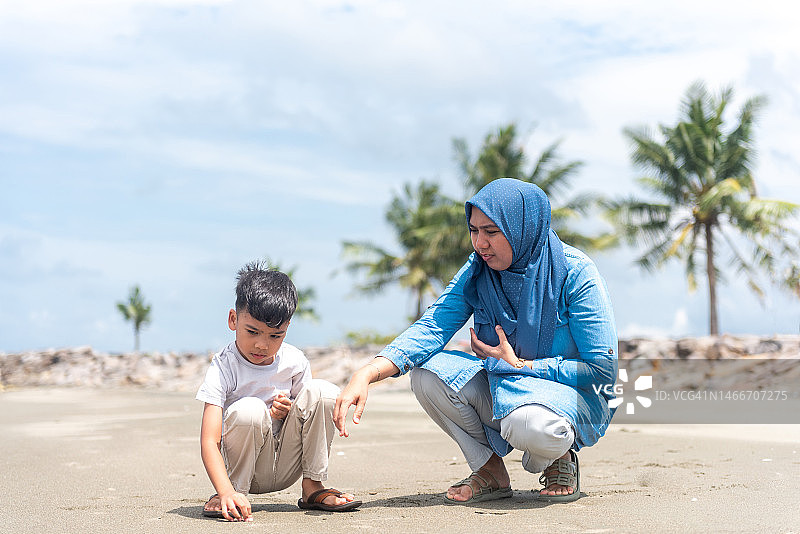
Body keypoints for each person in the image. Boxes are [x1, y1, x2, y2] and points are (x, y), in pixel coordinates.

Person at [334, 178, 617, 504]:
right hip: (507, 385)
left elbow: (603, 370)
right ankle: (490, 471)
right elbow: (433, 326)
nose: (480, 243)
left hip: (572, 396)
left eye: (492, 232)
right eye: (474, 230)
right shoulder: (479, 270)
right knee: (426, 376)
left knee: (529, 424)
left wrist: (524, 365)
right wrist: (368, 373)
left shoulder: (575, 272)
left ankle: (560, 457)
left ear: (522, 227)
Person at [196, 261, 361, 521]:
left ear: (287, 329)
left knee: (323, 391)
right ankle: (234, 495)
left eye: (275, 336)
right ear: (233, 320)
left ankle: (313, 486)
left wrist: (286, 413)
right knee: (250, 409)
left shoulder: (294, 361)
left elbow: (309, 416)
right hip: (242, 470)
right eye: (252, 332)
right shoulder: (223, 366)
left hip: (287, 465)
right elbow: (209, 440)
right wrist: (225, 490)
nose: (262, 345)